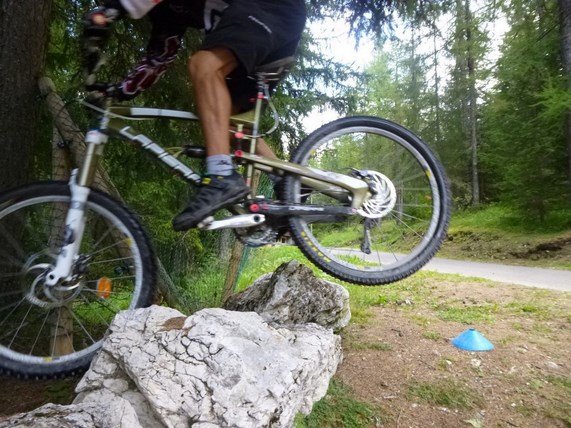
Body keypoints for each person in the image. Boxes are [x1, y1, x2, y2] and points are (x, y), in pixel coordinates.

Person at [84, 0, 306, 230]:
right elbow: (159, 57)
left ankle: (221, 176)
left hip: (271, 9)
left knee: (204, 65)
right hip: (267, 23)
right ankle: (289, 181)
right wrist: (119, 90)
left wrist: (112, 10)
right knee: (221, 121)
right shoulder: (167, 13)